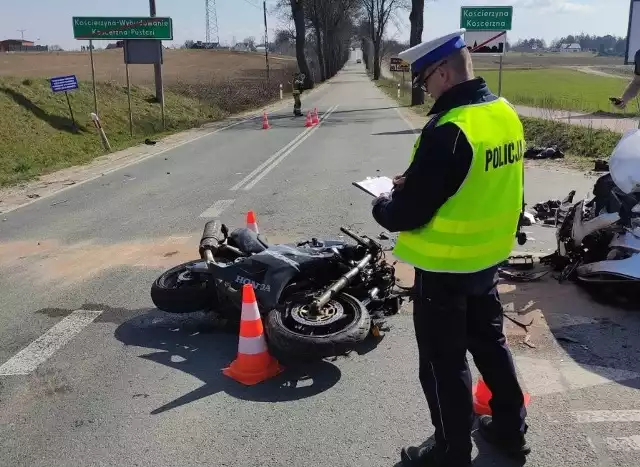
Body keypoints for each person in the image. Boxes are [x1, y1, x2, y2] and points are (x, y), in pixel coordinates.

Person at [371, 29, 530, 467]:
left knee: (443, 364)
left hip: (444, 271)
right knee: (491, 347)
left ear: (442, 73)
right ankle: (511, 430)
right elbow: (498, 183)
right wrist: (416, 182)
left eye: (424, 80)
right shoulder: (505, 113)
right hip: (487, 262)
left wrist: (382, 205)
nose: (424, 89)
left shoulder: (449, 130)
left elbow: (408, 213)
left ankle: (450, 449)